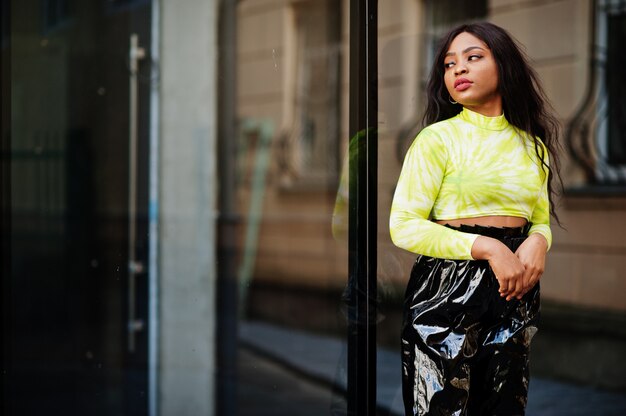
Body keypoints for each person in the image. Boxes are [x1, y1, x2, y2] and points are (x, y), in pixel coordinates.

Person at [389, 22, 561, 415]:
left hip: (512, 291)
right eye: (449, 64)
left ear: (504, 65)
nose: (458, 70)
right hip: (446, 291)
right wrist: (486, 247)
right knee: (441, 409)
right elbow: (403, 225)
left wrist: (539, 241)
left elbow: (539, 219)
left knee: (504, 407)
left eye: (472, 58)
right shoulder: (437, 140)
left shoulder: (532, 146)